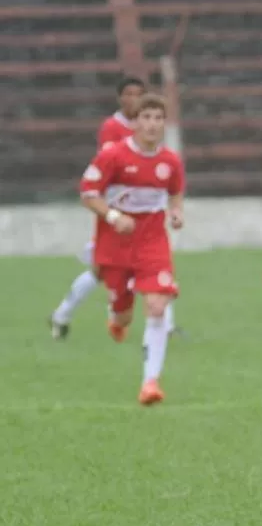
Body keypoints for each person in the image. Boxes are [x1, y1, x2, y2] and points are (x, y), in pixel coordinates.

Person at [50, 76, 178, 340]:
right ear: (121, 98)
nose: (133, 99)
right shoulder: (113, 128)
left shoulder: (151, 129)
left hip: (141, 220)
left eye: (138, 94)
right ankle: (63, 314)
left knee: (155, 270)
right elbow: (106, 173)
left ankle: (162, 326)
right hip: (112, 215)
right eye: (128, 94)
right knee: (100, 271)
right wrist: (112, 212)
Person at [78, 94, 185, 405]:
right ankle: (115, 315)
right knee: (124, 317)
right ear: (135, 122)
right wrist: (113, 215)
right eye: (146, 118)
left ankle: (150, 382)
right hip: (115, 244)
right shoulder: (114, 156)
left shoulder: (170, 162)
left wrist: (177, 212)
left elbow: (175, 193)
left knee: (156, 306)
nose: (152, 124)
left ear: (164, 123)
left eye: (158, 118)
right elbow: (88, 192)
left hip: (152, 242)